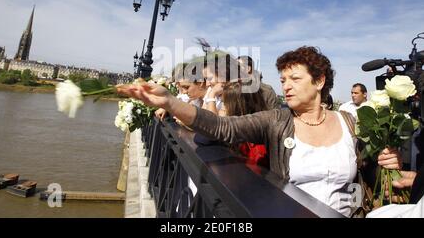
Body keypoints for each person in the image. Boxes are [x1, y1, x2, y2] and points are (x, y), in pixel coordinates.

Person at [117, 46, 401, 217]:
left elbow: (368, 172)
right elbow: (222, 127)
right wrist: (171, 101)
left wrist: (389, 163)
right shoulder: (276, 120)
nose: (286, 85)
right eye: (282, 79)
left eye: (294, 78)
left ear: (319, 81)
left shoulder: (348, 123)